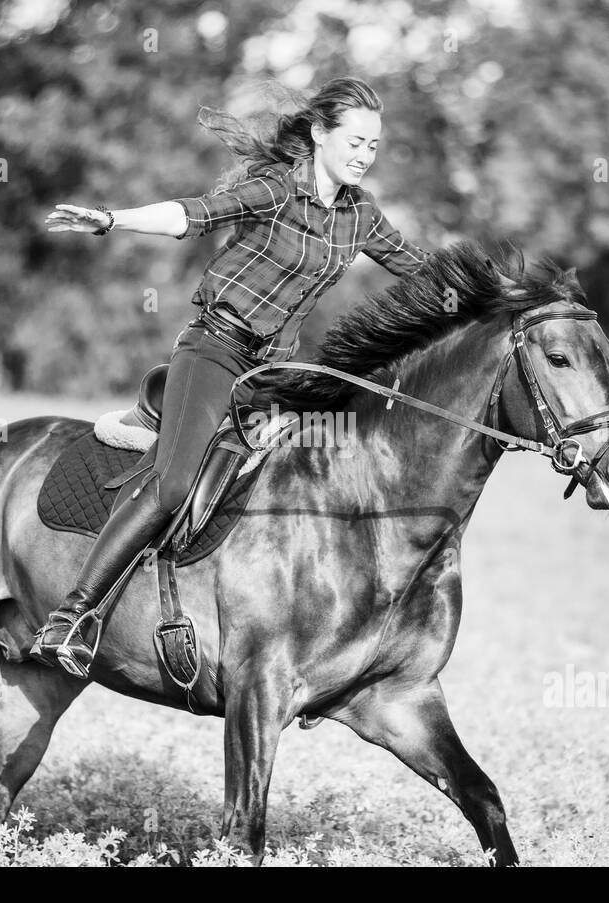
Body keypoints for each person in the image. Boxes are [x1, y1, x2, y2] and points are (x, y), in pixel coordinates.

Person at [30, 76, 432, 678]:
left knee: (323, 458)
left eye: (372, 146)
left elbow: (424, 274)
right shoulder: (274, 190)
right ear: (320, 134)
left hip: (275, 376)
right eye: (354, 141)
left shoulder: (362, 216)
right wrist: (112, 220)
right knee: (172, 486)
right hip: (214, 351)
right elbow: (189, 216)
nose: (362, 155)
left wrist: (502, 300)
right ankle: (75, 616)